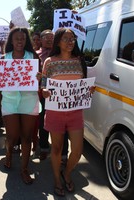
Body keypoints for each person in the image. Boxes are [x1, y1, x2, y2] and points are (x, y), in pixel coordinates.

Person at [41, 28, 89, 196]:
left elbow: (82, 84)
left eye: (72, 38)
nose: (70, 41)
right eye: (66, 38)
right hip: (55, 112)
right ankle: (56, 179)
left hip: (75, 112)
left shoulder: (79, 61)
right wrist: (44, 90)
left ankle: (66, 173)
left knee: (77, 150)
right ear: (58, 42)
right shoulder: (49, 61)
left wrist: (88, 91)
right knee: (56, 148)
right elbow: (43, 83)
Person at [2, 27, 41, 185]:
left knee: (26, 136)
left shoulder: (33, 58)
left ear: (26, 41)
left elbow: (42, 81)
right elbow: (0, 80)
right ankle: (9, 152)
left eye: (23, 39)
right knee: (12, 136)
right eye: (17, 38)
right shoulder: (4, 58)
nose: (19, 41)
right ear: (11, 40)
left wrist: (39, 78)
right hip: (10, 101)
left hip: (29, 100)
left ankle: (24, 169)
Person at [36, 29, 54, 160]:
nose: (49, 40)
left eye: (52, 37)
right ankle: (43, 147)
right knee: (42, 120)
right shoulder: (35, 56)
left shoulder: (59, 55)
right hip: (41, 94)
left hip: (58, 93)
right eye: (46, 37)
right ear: (40, 40)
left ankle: (60, 149)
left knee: (56, 120)